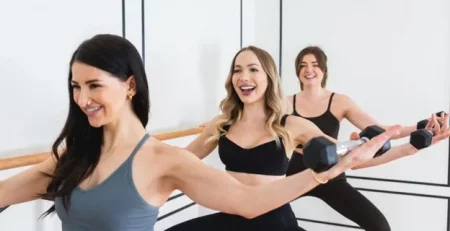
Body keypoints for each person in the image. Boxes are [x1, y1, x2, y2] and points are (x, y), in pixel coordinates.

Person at [0, 35, 397, 231]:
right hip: (233, 215)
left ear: (130, 86)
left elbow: (247, 200)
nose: (82, 98)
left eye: (94, 85)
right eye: (75, 86)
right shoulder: (72, 158)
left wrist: (326, 171)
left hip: (269, 215)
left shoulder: (290, 124)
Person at [164, 46, 448, 231]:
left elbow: (350, 157)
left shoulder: (292, 124)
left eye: (253, 69)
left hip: (275, 220)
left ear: (268, 77)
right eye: (237, 70)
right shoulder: (222, 123)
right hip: (233, 217)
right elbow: (181, 161)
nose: (243, 76)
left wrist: (409, 147)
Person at [285, 45, 450, 231]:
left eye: (315, 64)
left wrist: (421, 126)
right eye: (303, 65)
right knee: (260, 216)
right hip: (295, 172)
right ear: (297, 70)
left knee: (379, 226)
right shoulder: (286, 103)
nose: (309, 70)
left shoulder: (340, 102)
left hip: (333, 172)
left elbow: (380, 131)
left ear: (324, 69)